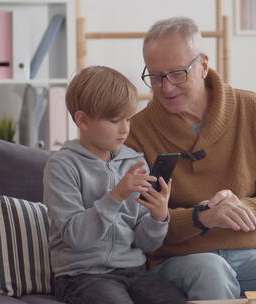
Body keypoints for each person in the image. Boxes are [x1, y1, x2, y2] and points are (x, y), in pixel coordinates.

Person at [125, 17, 256, 300]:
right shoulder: (137, 131)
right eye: (156, 76)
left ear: (203, 65)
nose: (166, 88)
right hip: (183, 261)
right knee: (211, 268)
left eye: (177, 74)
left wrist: (240, 209)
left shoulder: (254, 110)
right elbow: (139, 225)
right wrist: (203, 217)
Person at [43, 66, 187, 304]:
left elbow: (145, 243)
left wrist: (158, 217)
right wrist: (116, 195)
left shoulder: (134, 161)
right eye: (114, 120)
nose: (125, 129)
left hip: (134, 271)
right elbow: (75, 237)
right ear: (82, 120)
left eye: (128, 118)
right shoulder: (61, 166)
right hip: (82, 275)